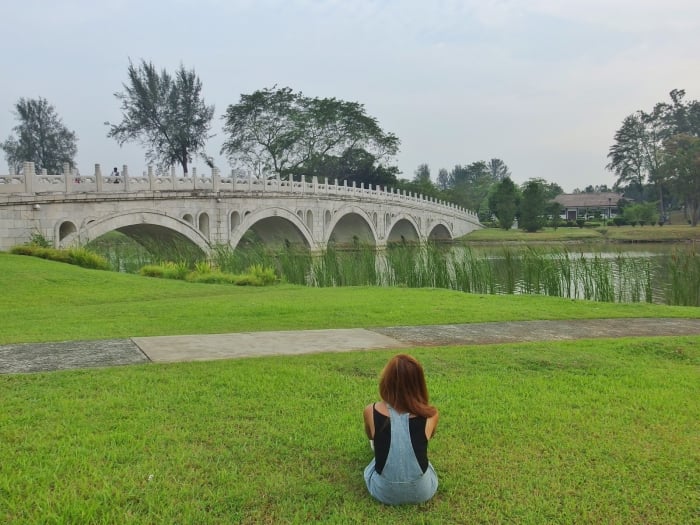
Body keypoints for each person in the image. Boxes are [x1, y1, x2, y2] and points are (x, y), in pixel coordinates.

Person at [363, 354, 439, 505]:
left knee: (375, 458)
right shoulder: (431, 414)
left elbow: (370, 436)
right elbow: (428, 437)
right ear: (419, 382)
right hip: (422, 492)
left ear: (386, 380)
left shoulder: (370, 411)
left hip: (383, 492)